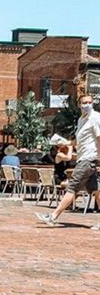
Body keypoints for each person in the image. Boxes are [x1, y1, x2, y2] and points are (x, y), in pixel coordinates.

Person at [39, 93, 100, 227]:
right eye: (84, 103)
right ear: (79, 105)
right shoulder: (81, 120)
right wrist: (65, 142)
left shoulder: (95, 118)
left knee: (72, 188)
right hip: (83, 158)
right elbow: (78, 141)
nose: (87, 105)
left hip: (88, 159)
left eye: (90, 102)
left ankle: (53, 216)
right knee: (95, 190)